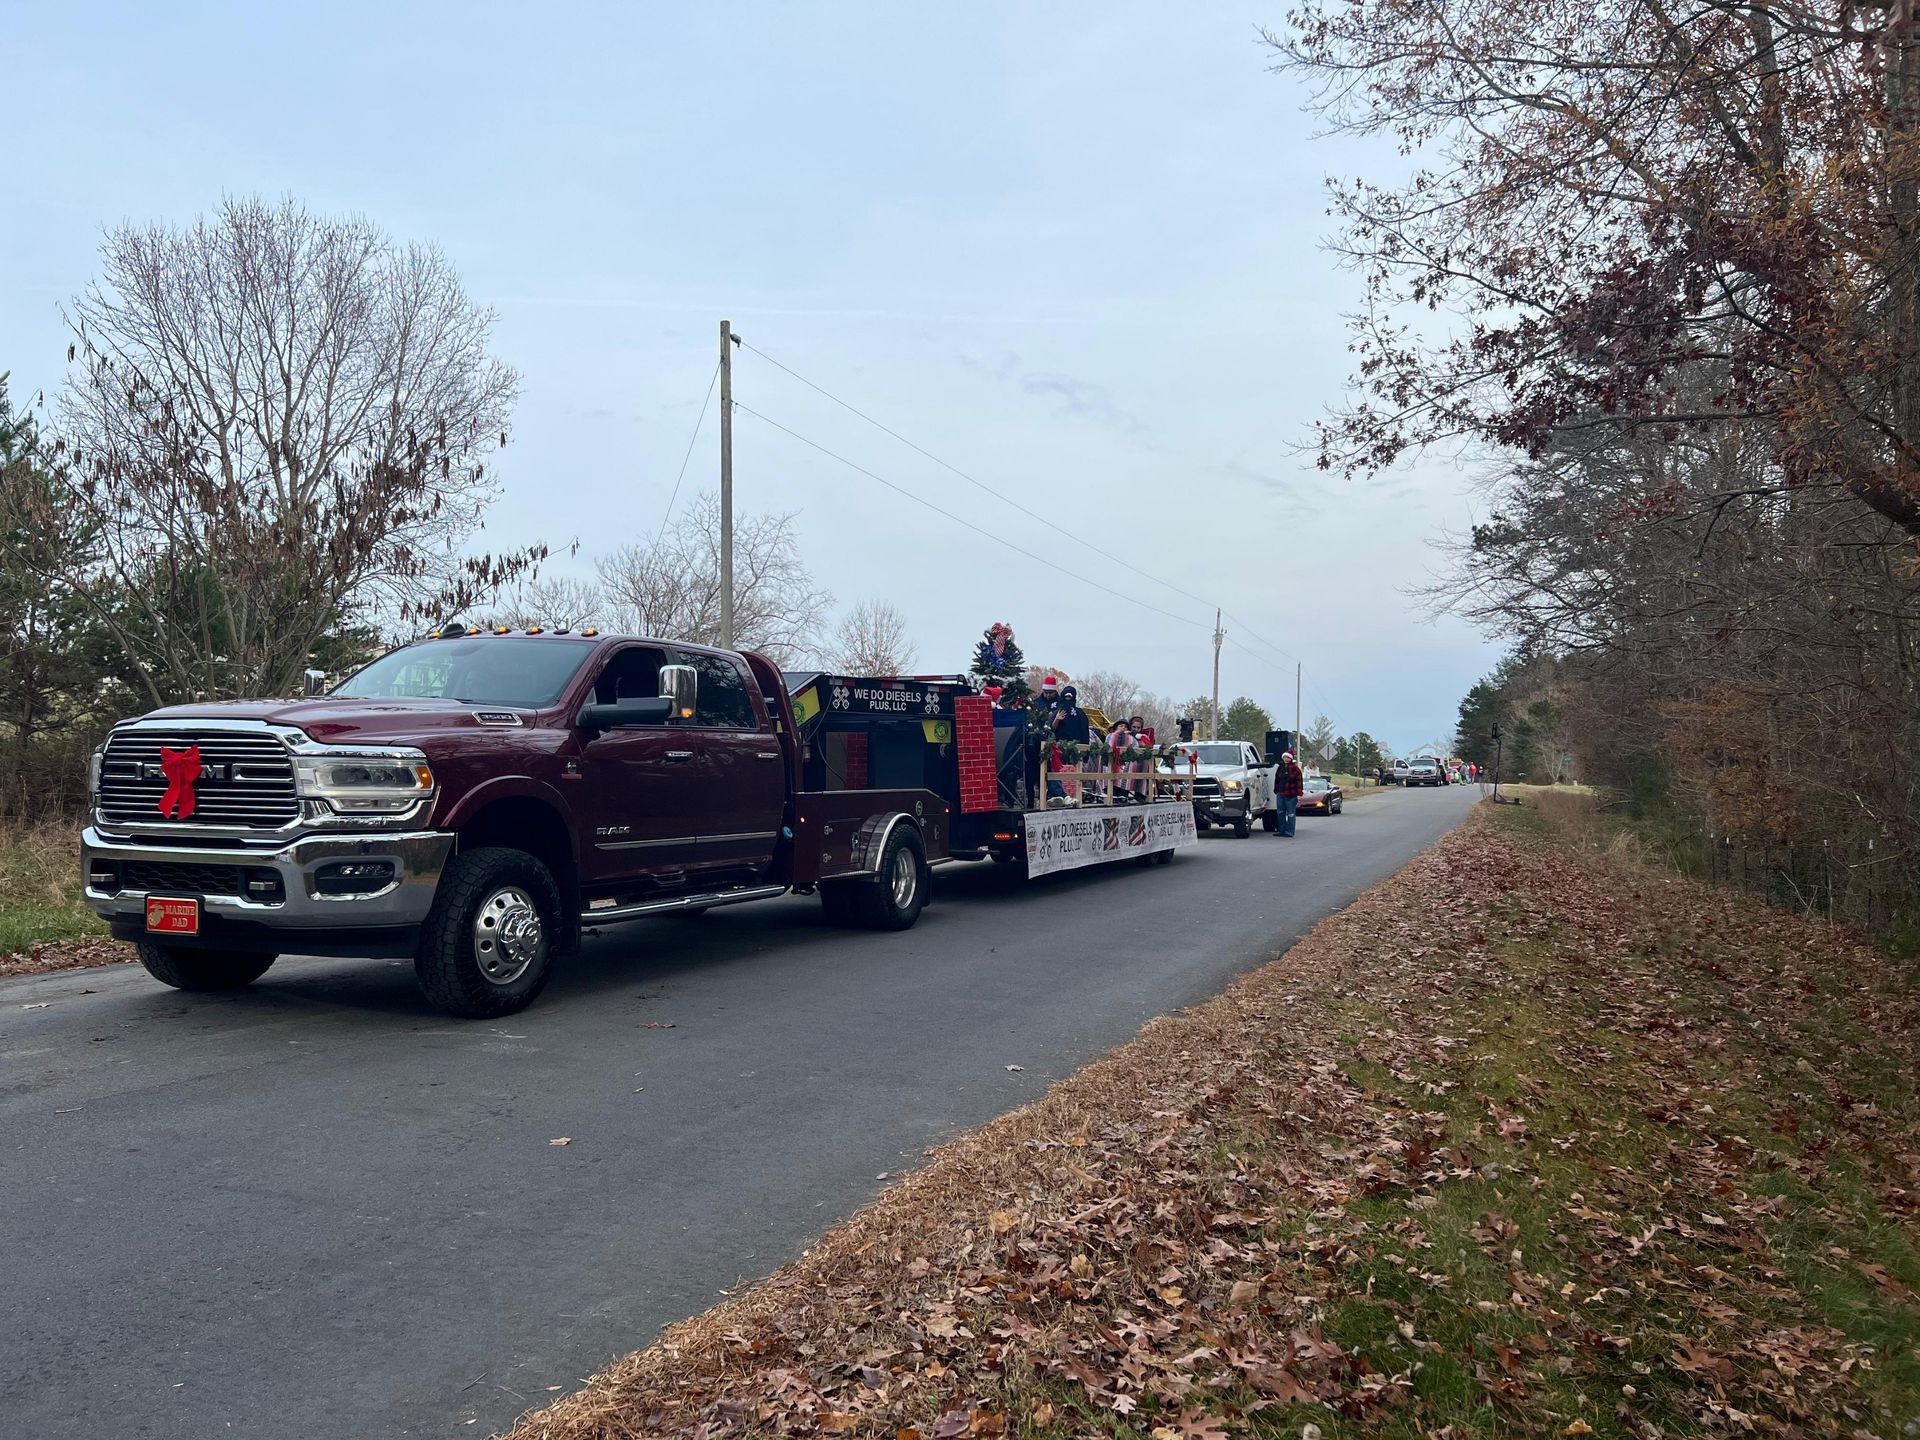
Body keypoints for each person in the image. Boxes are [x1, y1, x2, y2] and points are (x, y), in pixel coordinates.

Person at [1053, 683, 1090, 802]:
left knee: (1074, 774)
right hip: (1058, 749)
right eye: (1066, 697)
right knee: (1057, 771)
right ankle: (1059, 794)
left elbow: (1085, 732)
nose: (1068, 699)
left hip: (1076, 750)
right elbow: (1051, 729)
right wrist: (1057, 720)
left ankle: (1075, 796)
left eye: (1070, 697)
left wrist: (1085, 752)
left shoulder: (1080, 713)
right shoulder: (1057, 710)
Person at [1274, 750, 1304, 837]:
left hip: (1291, 795)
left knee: (1291, 813)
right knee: (1280, 812)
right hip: (1280, 793)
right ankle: (1281, 830)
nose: (1286, 759)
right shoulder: (1280, 768)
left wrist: (1299, 794)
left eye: (1288, 757)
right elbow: (1277, 780)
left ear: (1291, 759)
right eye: (1284, 757)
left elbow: (1299, 782)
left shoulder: (1295, 769)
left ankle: (1290, 831)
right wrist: (1276, 790)